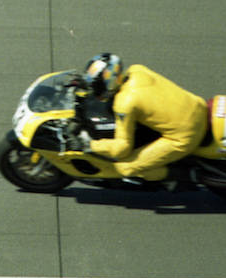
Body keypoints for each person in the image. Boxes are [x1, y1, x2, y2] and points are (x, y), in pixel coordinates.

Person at [64, 53, 209, 185]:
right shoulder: (137, 70)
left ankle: (188, 176)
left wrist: (88, 145)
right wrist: (87, 83)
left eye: (96, 85)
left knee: (125, 168)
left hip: (185, 135)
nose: (95, 89)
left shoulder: (124, 103)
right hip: (198, 106)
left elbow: (122, 148)